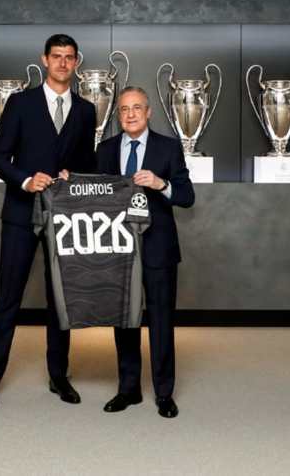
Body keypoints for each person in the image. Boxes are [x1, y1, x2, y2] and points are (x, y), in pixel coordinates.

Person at [0, 34, 97, 412]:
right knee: (8, 299)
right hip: (20, 214)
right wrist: (27, 180)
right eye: (56, 56)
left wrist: (74, 175)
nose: (62, 63)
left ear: (77, 62)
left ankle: (58, 376)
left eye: (69, 57)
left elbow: (88, 164)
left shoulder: (86, 110)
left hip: (64, 217)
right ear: (44, 60)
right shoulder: (20, 103)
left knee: (60, 300)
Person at [95, 87, 194, 418]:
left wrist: (160, 184)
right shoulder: (105, 149)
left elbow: (187, 196)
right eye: (124, 109)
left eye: (137, 108)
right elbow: (93, 193)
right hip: (119, 247)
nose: (131, 114)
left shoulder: (168, 147)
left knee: (161, 321)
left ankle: (164, 393)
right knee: (125, 321)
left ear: (149, 112)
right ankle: (128, 389)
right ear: (118, 115)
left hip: (158, 249)